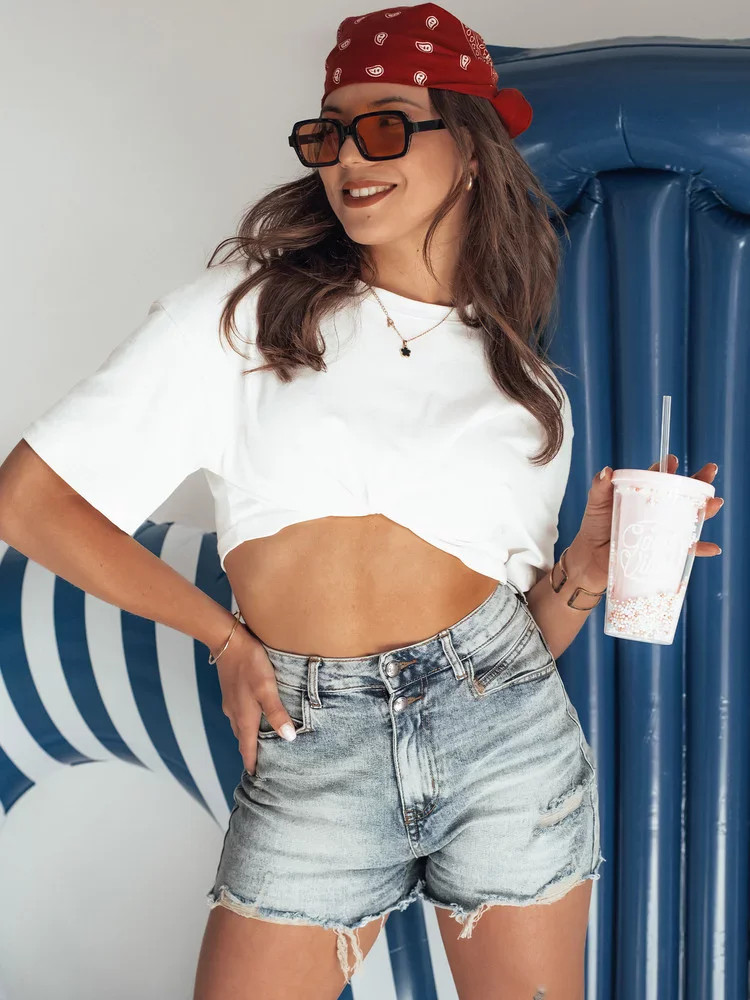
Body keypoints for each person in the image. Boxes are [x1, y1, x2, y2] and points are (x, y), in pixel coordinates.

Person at [0, 3, 723, 999]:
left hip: (506, 736)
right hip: (311, 746)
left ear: (469, 149)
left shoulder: (525, 388)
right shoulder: (248, 315)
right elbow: (28, 502)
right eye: (328, 132)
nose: (346, 155)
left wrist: (584, 575)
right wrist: (223, 637)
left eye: (383, 125)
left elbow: (523, 634)